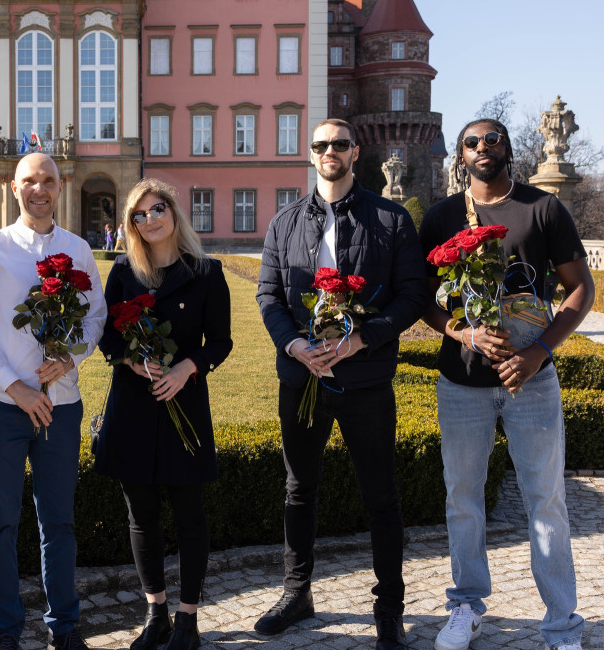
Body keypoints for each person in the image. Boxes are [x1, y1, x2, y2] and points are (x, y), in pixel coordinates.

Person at [418, 119, 593, 650]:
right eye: (471, 142)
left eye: (492, 140)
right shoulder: (443, 216)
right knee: (463, 498)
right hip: (462, 381)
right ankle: (466, 608)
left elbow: (580, 289)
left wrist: (540, 353)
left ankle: (562, 626)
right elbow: (421, 298)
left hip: (532, 381)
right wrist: (460, 331)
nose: (482, 149)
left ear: (508, 148)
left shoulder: (542, 208)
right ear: (461, 155)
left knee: (546, 501)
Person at [255, 119, 427, 650]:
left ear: (356, 152)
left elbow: (412, 295)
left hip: (366, 379)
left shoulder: (391, 219)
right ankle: (297, 591)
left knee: (381, 496)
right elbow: (268, 296)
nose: (330, 152)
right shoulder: (284, 222)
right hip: (302, 378)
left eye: (339, 144)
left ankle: (389, 609)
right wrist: (294, 346)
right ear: (310, 155)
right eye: (320, 145)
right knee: (298, 489)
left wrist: (362, 340)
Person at [0, 152, 107, 650]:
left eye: (47, 180)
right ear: (14, 187)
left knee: (59, 521)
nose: (39, 189)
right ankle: (7, 629)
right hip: (4, 407)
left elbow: (95, 320)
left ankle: (64, 626)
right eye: (29, 181)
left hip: (62, 406)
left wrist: (69, 359)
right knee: (1, 522)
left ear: (60, 186)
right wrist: (15, 386)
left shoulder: (78, 248)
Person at [94, 179, 232, 650]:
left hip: (184, 402)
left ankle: (188, 619)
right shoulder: (122, 272)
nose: (149, 220)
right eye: (139, 215)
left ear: (173, 212)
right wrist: (132, 360)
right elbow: (107, 336)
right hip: (133, 406)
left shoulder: (206, 272)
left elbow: (221, 341)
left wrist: (188, 367)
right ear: (131, 225)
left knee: (189, 512)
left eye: (157, 209)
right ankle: (156, 613)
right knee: (141, 514)